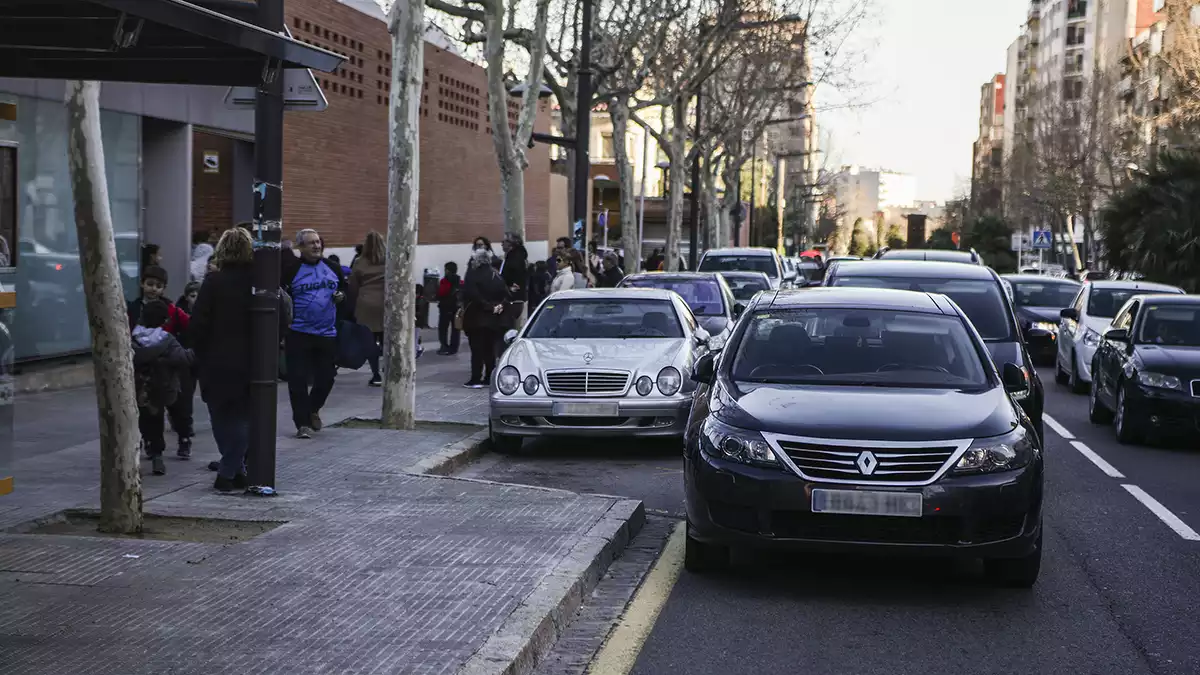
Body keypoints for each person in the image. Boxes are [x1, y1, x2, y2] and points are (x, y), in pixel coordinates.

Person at [189, 227, 259, 491]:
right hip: (251, 359)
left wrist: (199, 351)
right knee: (243, 418)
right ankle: (236, 469)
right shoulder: (258, 281)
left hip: (216, 359)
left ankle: (228, 471)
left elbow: (198, 324)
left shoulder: (214, 282)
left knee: (221, 416)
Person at [281, 228, 346, 438]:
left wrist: (341, 297)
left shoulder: (333, 268)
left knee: (327, 378)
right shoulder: (290, 270)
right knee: (297, 379)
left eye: (318, 242)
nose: (317, 246)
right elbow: (281, 299)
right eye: (311, 243)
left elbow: (346, 293)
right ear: (301, 247)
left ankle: (313, 408)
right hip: (298, 333)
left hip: (327, 334)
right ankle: (302, 423)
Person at [128, 265, 195, 457]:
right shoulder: (133, 308)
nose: (153, 289)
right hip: (144, 370)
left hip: (170, 363)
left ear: (163, 288)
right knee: (148, 408)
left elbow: (188, 325)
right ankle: (152, 443)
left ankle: (184, 437)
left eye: (158, 286)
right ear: (142, 284)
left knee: (178, 405)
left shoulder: (172, 308)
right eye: (150, 284)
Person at [132, 299, 193, 476]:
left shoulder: (133, 338)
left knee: (150, 420)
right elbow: (182, 358)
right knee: (177, 412)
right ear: (165, 320)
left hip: (143, 387)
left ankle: (155, 452)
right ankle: (184, 438)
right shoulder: (167, 340)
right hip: (166, 385)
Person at [462, 247, 509, 388]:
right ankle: (489, 376)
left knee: (476, 350)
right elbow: (505, 294)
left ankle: (476, 378)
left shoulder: (472, 275)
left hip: (476, 318)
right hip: (494, 318)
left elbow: (472, 295)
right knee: (489, 349)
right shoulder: (496, 275)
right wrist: (498, 306)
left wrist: (487, 306)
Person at [348, 231, 386, 386]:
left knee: (369, 342)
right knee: (387, 341)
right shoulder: (390, 260)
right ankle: (389, 370)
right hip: (386, 304)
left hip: (366, 304)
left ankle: (376, 374)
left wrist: (351, 307)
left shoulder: (359, 262)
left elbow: (353, 287)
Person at [500, 231, 529, 323]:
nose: (502, 244)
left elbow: (513, 277)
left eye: (504, 241)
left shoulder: (515, 258)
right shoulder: (511, 256)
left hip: (513, 299)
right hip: (513, 297)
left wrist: (508, 288)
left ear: (511, 243)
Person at [437, 261, 462, 355]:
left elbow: (441, 292)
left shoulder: (445, 281)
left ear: (447, 270)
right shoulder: (459, 280)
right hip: (456, 307)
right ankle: (454, 347)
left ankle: (444, 346)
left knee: (443, 328)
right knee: (456, 329)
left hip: (445, 307)